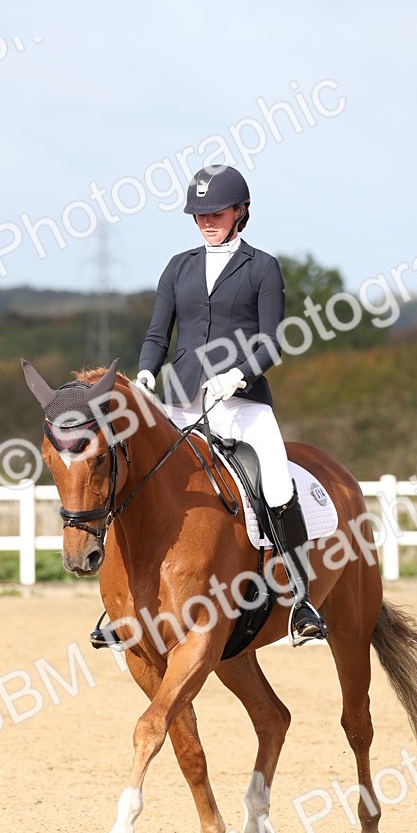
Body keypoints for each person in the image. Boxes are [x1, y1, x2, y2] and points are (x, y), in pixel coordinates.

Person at [136, 164, 328, 642]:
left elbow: (272, 343)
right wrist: (145, 371)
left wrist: (238, 374)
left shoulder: (262, 267)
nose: (206, 220)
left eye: (215, 211)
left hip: (241, 401)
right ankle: (129, 600)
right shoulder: (177, 266)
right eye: (198, 213)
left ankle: (301, 601)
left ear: (241, 211)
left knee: (279, 484)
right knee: (138, 480)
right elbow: (159, 334)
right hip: (180, 401)